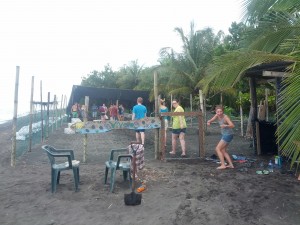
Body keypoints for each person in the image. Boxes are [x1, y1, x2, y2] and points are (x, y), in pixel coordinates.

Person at [207, 105, 235, 169]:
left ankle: (223, 165)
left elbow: (232, 125)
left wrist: (225, 125)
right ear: (216, 112)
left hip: (228, 135)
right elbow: (211, 120)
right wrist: (209, 122)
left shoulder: (225, 117)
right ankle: (231, 165)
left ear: (223, 111)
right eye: (218, 112)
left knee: (217, 149)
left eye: (220, 111)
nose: (219, 113)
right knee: (223, 150)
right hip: (225, 134)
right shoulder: (217, 115)